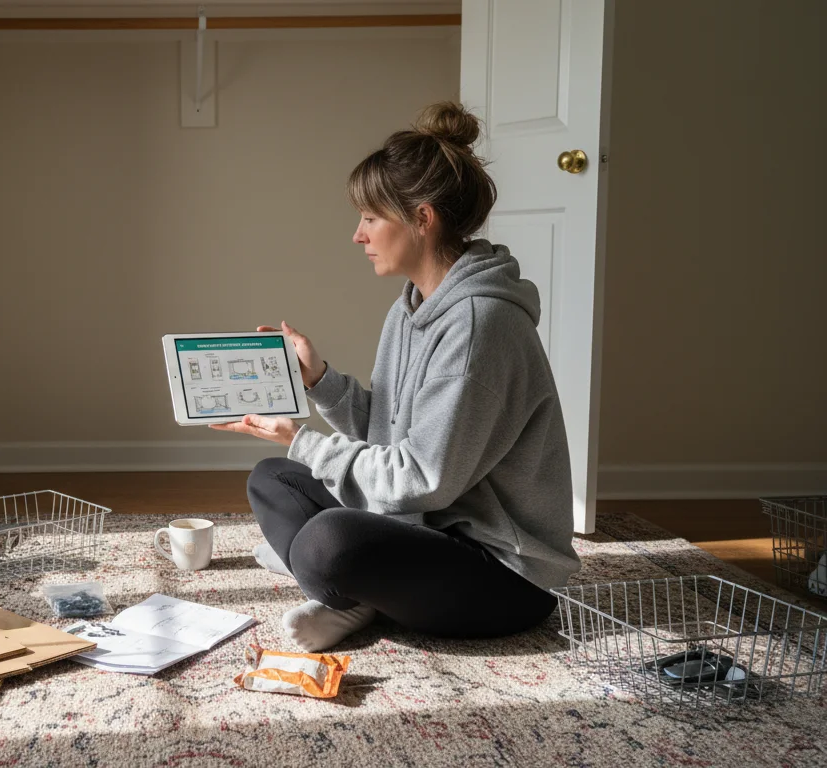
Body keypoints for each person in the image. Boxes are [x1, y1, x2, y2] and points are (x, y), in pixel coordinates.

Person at [211, 101, 581, 652]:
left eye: (370, 218)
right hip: (425, 528)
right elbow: (387, 434)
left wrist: (302, 440)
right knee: (273, 479)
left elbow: (423, 477)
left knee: (325, 543)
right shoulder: (411, 307)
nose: (357, 236)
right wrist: (319, 380)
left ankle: (344, 588)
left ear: (422, 219)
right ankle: (358, 594)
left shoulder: (480, 324)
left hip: (505, 574)